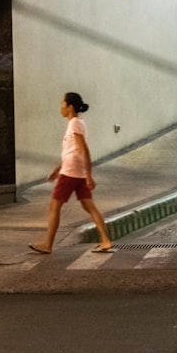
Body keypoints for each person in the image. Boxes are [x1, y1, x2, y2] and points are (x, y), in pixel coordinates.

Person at [29, 92, 114, 254]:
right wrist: (57, 170)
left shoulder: (74, 123)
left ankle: (48, 244)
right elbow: (72, 151)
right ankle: (106, 241)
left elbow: (83, 149)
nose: (60, 107)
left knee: (55, 206)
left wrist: (89, 174)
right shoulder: (79, 123)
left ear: (70, 107)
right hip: (76, 171)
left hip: (71, 172)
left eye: (63, 104)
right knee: (90, 207)